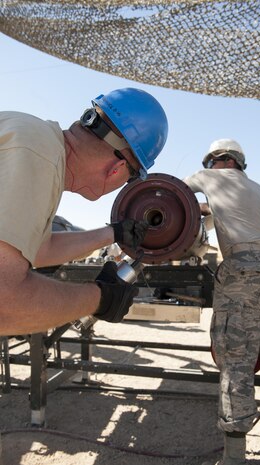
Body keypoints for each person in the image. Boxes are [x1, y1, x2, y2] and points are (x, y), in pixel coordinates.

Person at [0, 87, 168, 336]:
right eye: (130, 179)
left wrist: (114, 233)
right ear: (117, 168)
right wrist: (100, 298)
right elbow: (5, 303)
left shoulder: (38, 142)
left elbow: (40, 249)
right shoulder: (38, 156)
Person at [183, 139, 260, 465]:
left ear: (216, 160)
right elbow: (224, 213)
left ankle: (234, 459)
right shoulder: (255, 187)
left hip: (245, 270)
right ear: (240, 162)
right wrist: (205, 211)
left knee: (237, 363)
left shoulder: (208, 176)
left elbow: (170, 193)